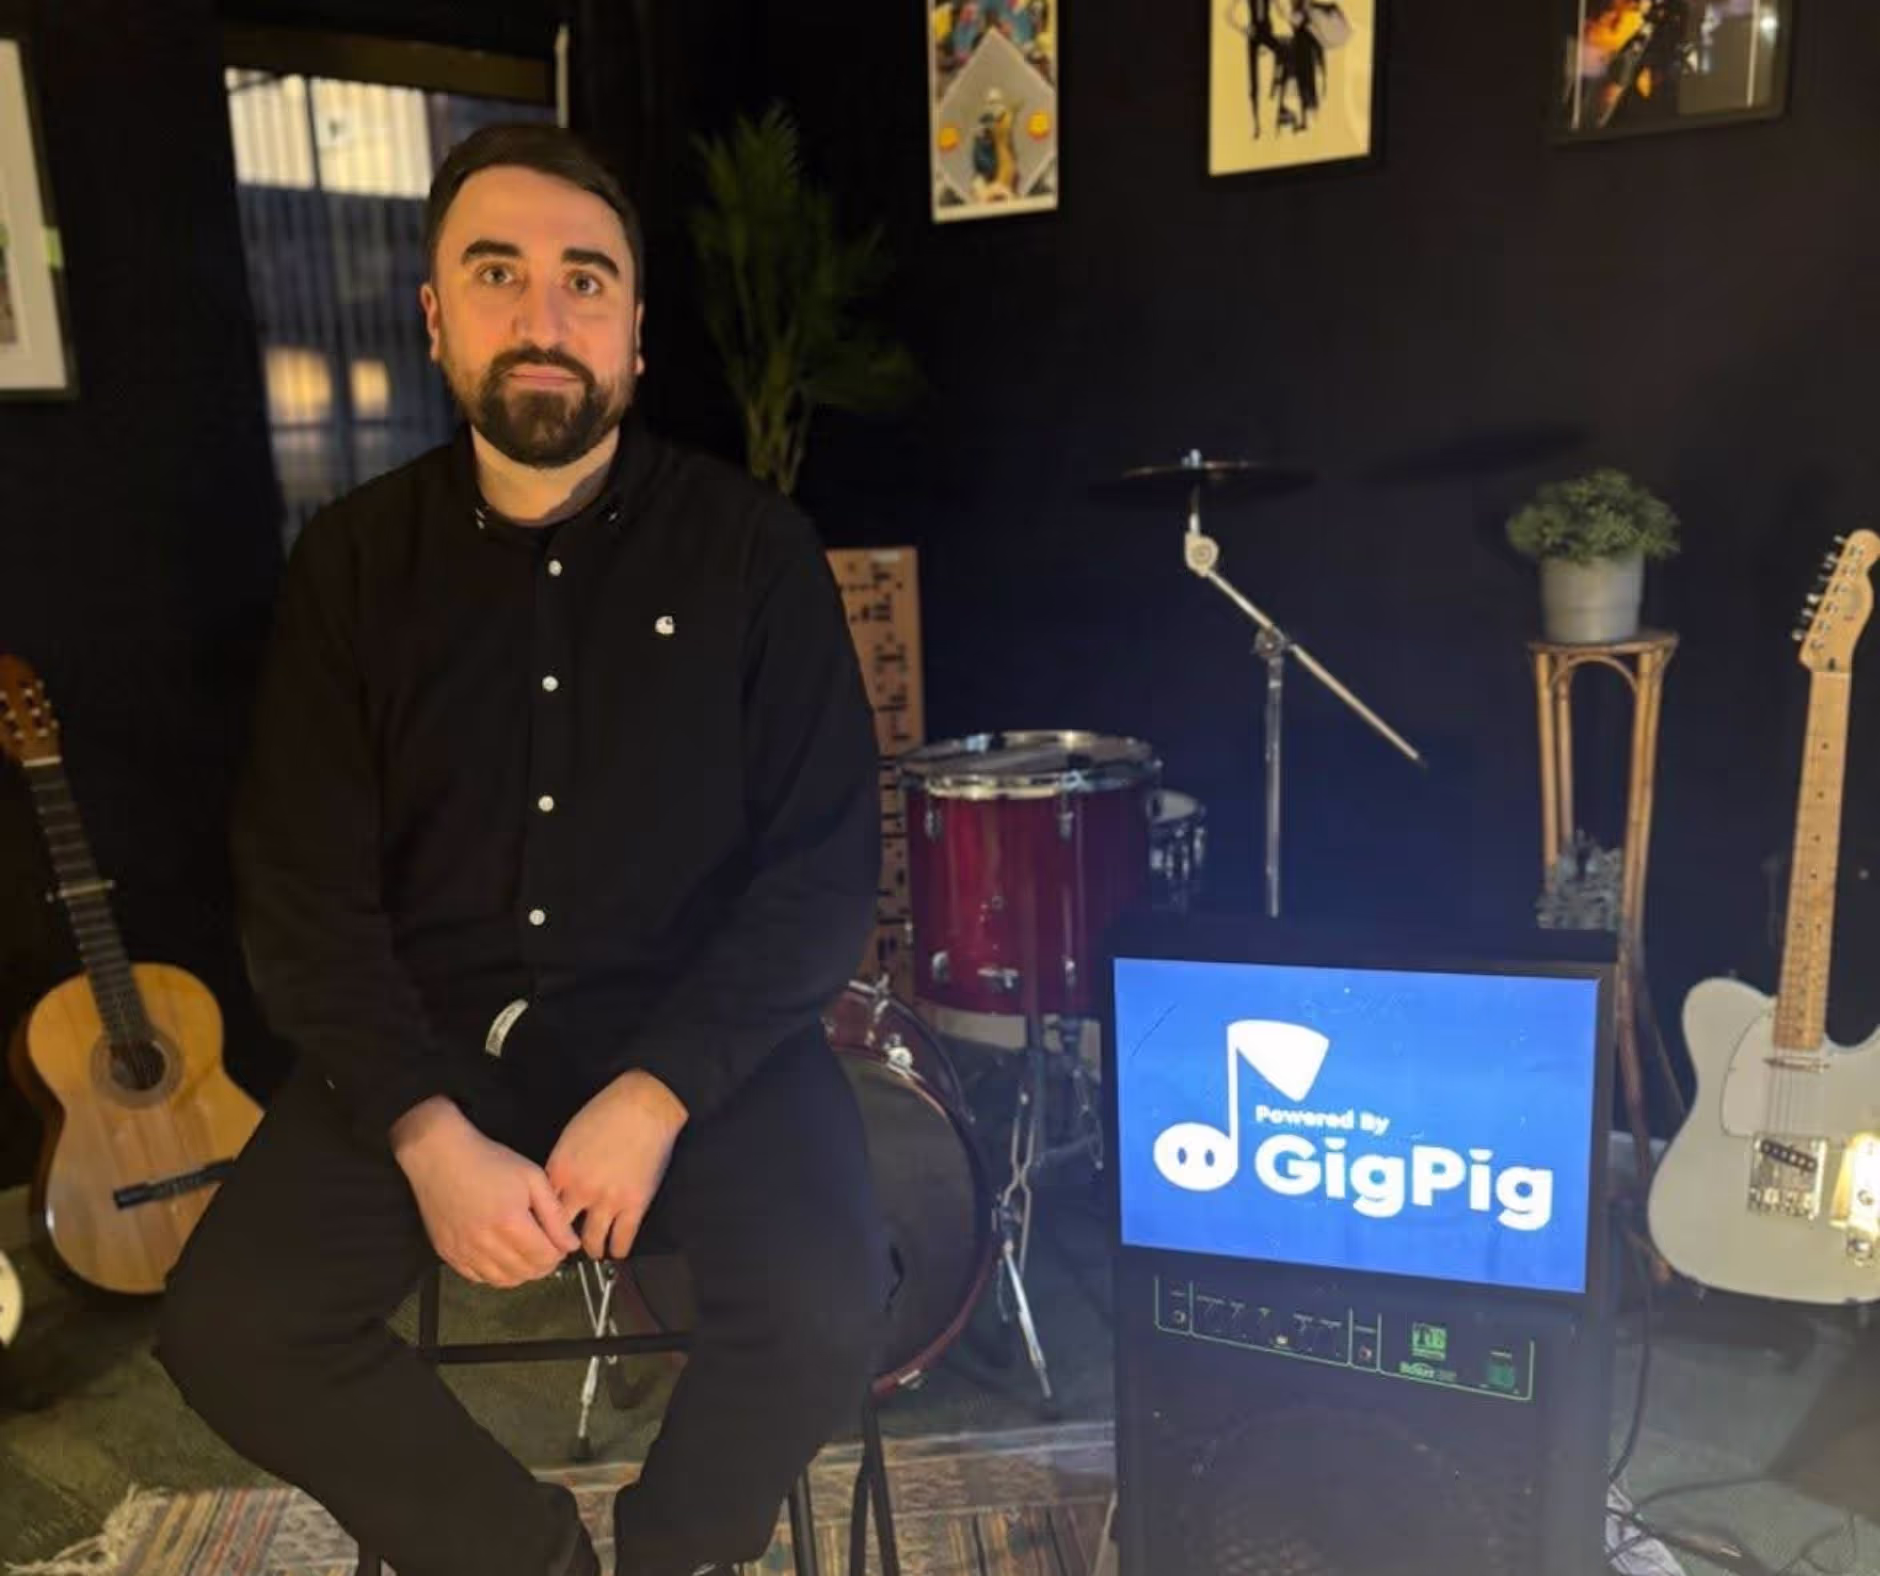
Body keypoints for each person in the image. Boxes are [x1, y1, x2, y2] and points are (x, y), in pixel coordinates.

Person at [156, 123, 890, 1576]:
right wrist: (426, 1132)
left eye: (585, 281)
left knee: (831, 1300)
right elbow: (300, 892)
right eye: (499, 275)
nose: (543, 319)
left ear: (633, 333)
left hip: (694, 1041)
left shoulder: (754, 552)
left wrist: (659, 1091)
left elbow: (823, 870)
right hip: (425, 1043)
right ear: (436, 317)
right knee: (229, 1330)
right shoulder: (351, 569)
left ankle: (676, 1551)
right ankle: (523, 1559)